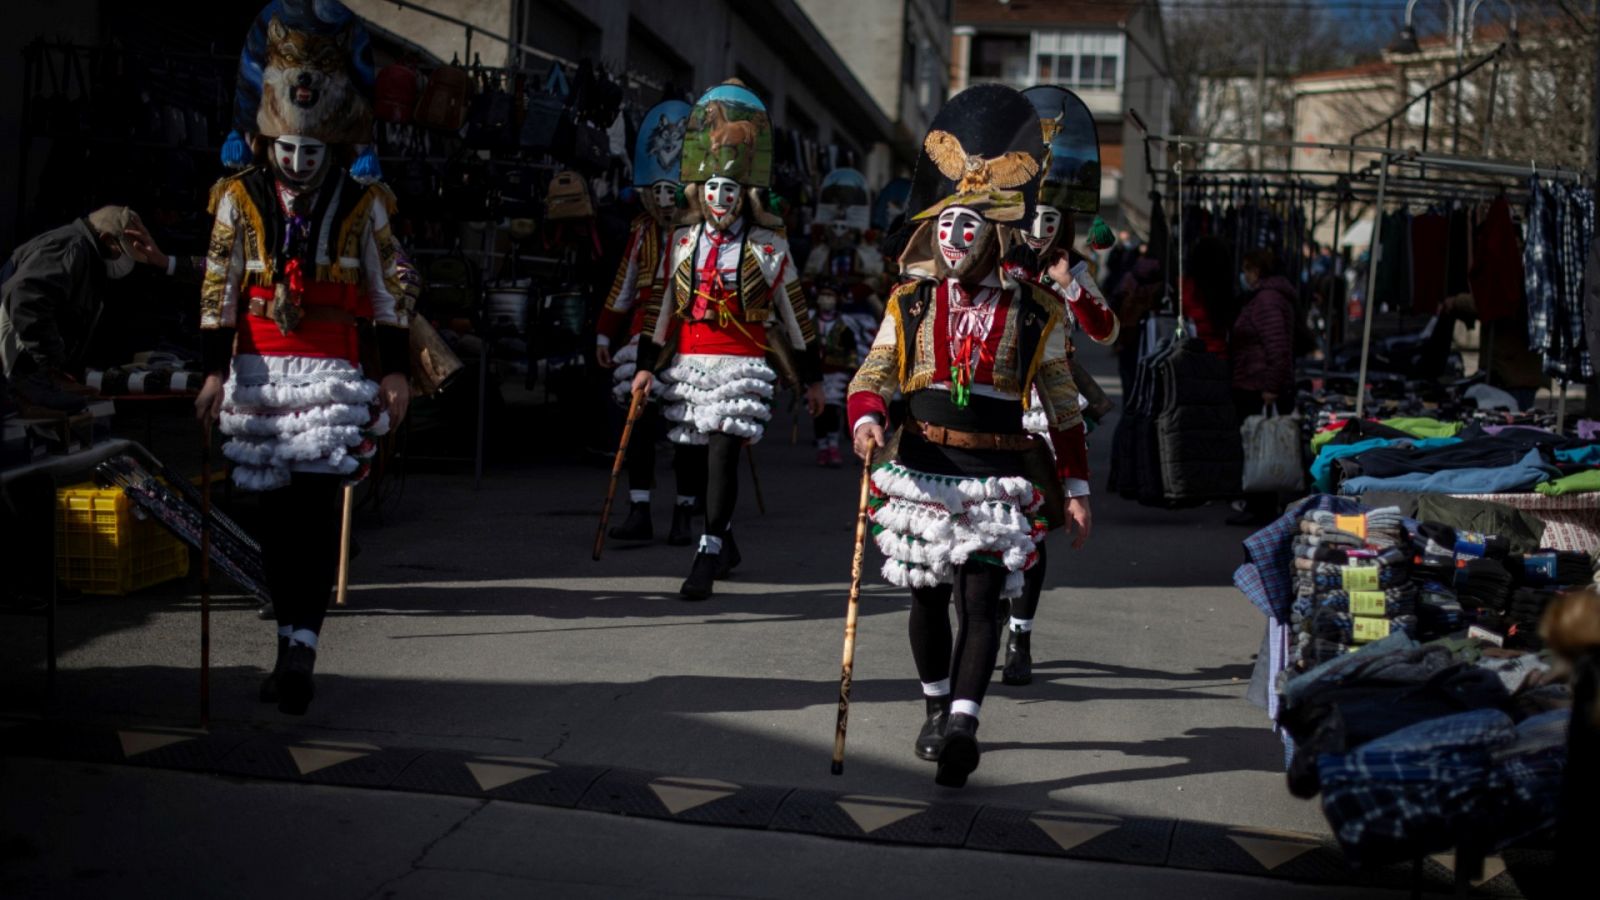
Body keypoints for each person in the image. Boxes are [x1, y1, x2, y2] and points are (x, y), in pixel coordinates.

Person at [849, 84, 1089, 788]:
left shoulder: (1037, 311)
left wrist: (1073, 486)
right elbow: (876, 370)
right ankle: (932, 705)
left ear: (995, 233)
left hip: (996, 477)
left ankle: (962, 722)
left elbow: (1064, 406)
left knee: (981, 599)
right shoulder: (911, 299)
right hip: (922, 467)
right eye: (946, 225)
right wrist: (865, 415)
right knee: (926, 595)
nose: (955, 240)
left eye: (970, 228)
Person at [194, 1, 408, 715]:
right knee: (273, 518)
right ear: (265, 140)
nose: (299, 161)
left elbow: (389, 291)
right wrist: (214, 367)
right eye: (288, 149)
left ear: (335, 146)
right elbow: (217, 288)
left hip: (330, 375)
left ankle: (302, 649)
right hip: (257, 372)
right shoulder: (236, 200)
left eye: (312, 152)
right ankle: (288, 635)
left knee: (314, 513)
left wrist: (395, 370)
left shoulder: (364, 204)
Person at [631, 80, 824, 601]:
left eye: (731, 191)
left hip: (741, 361)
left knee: (721, 452)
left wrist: (811, 379)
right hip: (691, 360)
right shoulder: (681, 241)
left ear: (746, 196)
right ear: (700, 192)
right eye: (713, 189)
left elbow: (795, 314)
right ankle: (727, 540)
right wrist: (647, 366)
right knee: (690, 457)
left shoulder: (769, 245)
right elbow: (663, 308)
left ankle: (709, 550)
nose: (720, 199)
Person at [999, 84, 1118, 686]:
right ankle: (992, 613)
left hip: (1050, 411)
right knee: (992, 521)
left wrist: (1070, 283)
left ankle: (1020, 635)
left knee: (1034, 527)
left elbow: (1106, 329)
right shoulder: (994, 261)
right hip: (995, 403)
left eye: (1052, 220)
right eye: (1033, 218)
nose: (1041, 230)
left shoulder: (1074, 271)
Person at [594, 99, 702, 545]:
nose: (662, 200)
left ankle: (684, 512)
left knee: (686, 430)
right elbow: (622, 285)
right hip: (641, 337)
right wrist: (604, 330)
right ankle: (639, 507)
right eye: (655, 190)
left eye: (669, 190)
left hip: (690, 340)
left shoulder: (700, 231)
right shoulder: (640, 230)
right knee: (637, 421)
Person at [1, 206, 197, 409]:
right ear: (106, 239)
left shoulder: (86, 258)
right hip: (18, 364)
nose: (126, 262)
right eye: (123, 253)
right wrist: (51, 365)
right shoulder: (70, 247)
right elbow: (27, 299)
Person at [1227, 248, 1295, 527]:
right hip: (1255, 381)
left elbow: (1277, 347)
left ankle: (1261, 506)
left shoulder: (1266, 301)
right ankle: (1258, 504)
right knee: (1258, 446)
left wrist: (1271, 387)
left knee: (1261, 447)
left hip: (1259, 385)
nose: (1244, 275)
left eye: (1247, 269)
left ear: (1257, 271)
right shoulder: (1265, 298)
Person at [811, 281, 857, 467]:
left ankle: (833, 446)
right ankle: (822, 448)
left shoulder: (845, 323)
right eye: (823, 295)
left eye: (830, 295)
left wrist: (853, 372)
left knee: (832, 410)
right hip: (815, 374)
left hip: (836, 373)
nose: (826, 299)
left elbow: (852, 350)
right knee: (817, 412)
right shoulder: (810, 320)